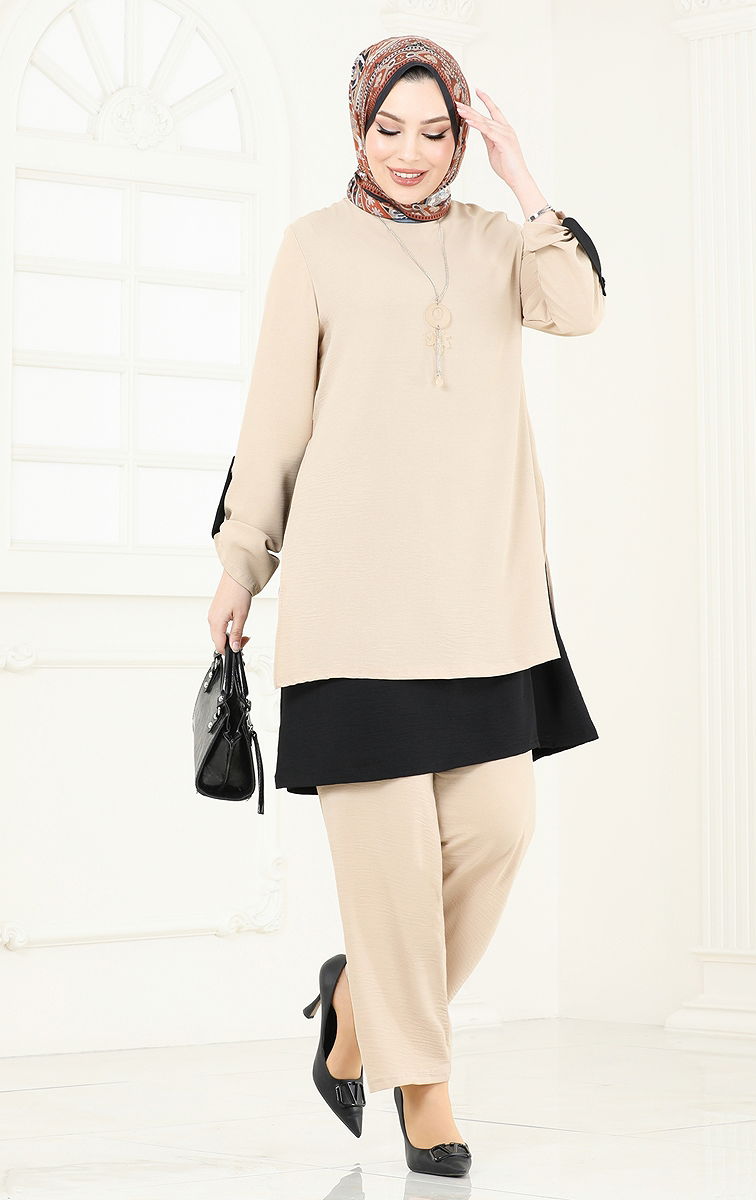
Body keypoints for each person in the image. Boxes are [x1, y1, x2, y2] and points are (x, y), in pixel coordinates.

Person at [207, 34, 606, 1178]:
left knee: (497, 830)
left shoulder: (498, 242)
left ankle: (355, 1011)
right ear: (358, 127)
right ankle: (424, 1086)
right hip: (352, 604)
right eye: (390, 130)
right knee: (385, 874)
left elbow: (577, 310)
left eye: (436, 133)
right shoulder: (313, 247)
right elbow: (273, 421)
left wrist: (522, 178)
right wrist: (241, 563)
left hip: (481, 600)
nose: (412, 154)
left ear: (460, 137)